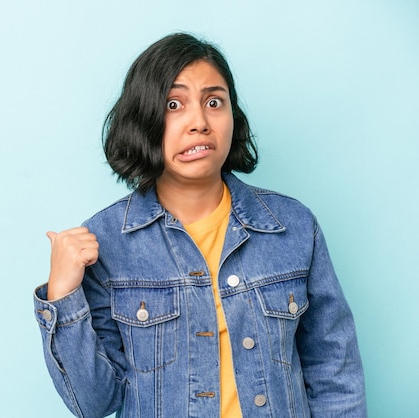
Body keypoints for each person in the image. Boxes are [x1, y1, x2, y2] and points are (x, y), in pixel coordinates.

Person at [33, 33, 367, 418]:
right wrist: (62, 294)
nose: (199, 122)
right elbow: (94, 402)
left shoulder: (292, 227)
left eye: (214, 102)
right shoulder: (105, 243)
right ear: (144, 119)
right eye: (174, 105)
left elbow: (335, 372)